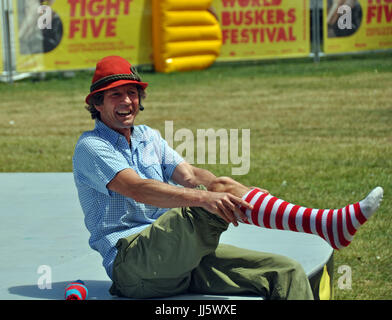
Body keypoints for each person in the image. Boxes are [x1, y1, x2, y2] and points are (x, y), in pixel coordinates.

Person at [72, 56, 383, 300]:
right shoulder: (91, 146)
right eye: (115, 95)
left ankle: (324, 225)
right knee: (200, 204)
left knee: (284, 273)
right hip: (135, 264)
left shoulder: (147, 136)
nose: (127, 102)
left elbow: (191, 175)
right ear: (97, 104)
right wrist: (208, 197)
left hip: (179, 257)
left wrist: (225, 187)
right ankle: (320, 224)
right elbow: (138, 189)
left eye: (132, 93)